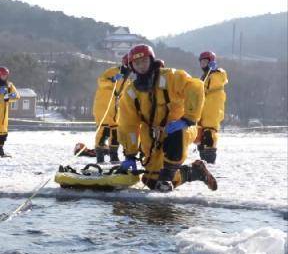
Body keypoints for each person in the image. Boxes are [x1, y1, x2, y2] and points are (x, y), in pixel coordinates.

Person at [117, 44, 217, 192]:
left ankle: (168, 176)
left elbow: (195, 87)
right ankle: (194, 172)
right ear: (132, 66)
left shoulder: (171, 77)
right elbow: (128, 125)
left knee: (174, 140)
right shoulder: (131, 92)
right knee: (150, 181)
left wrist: (188, 118)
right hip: (152, 136)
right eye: (137, 63)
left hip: (180, 128)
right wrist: (130, 154)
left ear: (151, 60)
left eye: (144, 61)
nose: (141, 66)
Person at [79, 57, 130, 162]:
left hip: (116, 109)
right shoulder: (113, 71)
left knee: (116, 132)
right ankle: (100, 157)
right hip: (103, 106)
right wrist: (112, 80)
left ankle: (114, 155)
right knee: (104, 131)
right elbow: (101, 81)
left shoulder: (128, 79)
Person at [196, 50, 227, 163]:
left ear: (211, 62)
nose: (203, 64)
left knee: (209, 135)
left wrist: (213, 70)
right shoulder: (204, 76)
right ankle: (203, 162)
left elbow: (208, 87)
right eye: (201, 62)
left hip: (212, 111)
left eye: (205, 61)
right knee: (200, 138)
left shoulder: (217, 74)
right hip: (202, 112)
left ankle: (210, 162)